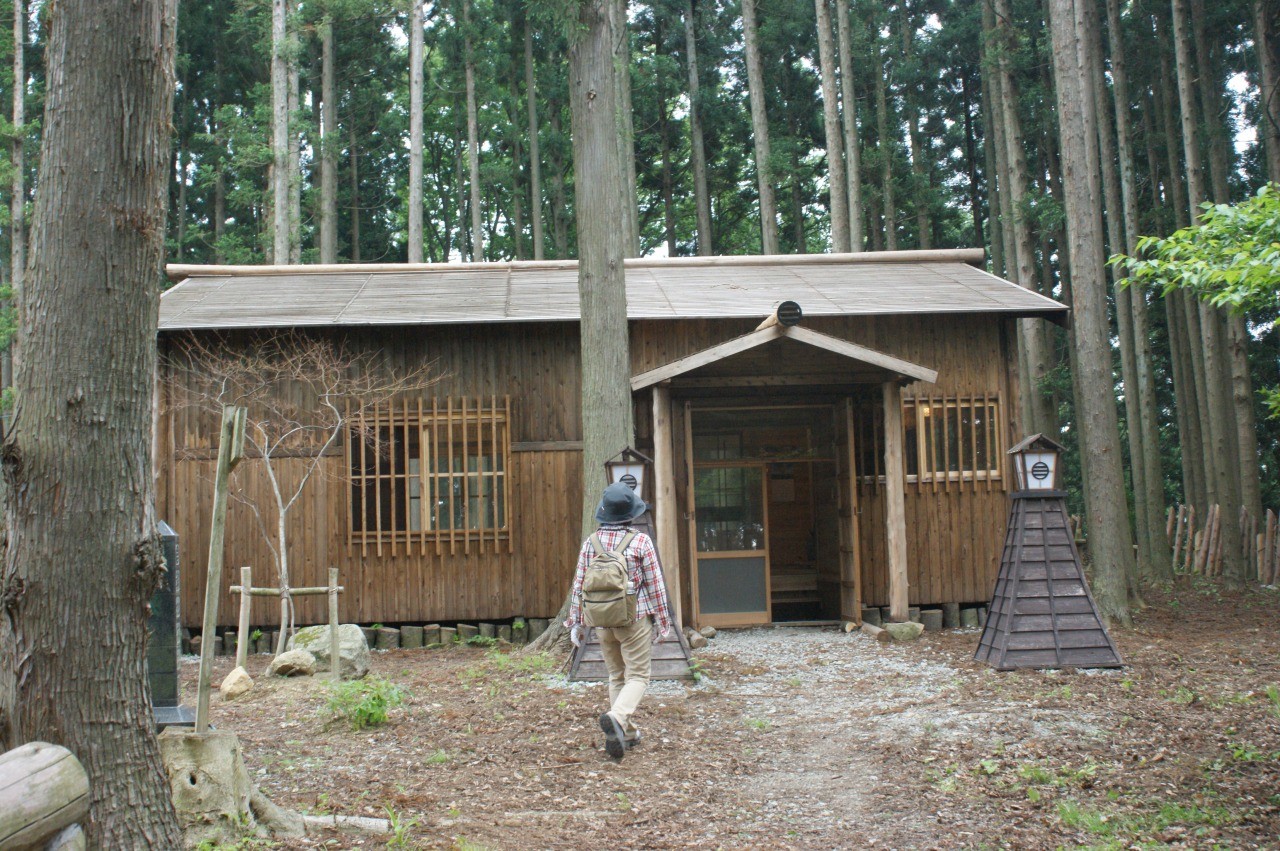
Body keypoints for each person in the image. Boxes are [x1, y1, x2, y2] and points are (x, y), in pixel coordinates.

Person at [566, 482, 674, 761]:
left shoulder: (591, 542)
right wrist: (664, 621)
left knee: (616, 676)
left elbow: (579, 585)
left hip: (602, 622)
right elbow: (655, 585)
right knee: (637, 676)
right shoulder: (640, 542)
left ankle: (624, 733)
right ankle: (617, 716)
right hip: (634, 619)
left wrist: (576, 622)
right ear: (630, 514)